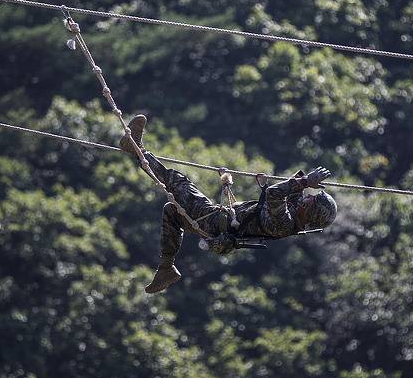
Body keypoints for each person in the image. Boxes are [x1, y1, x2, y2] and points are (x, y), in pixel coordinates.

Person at [119, 115, 337, 294]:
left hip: (213, 224)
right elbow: (291, 189)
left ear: (310, 212)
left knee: (177, 181)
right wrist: (304, 182)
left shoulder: (285, 223)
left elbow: (274, 194)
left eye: (312, 201)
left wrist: (306, 182)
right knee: (171, 212)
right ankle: (166, 268)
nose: (308, 197)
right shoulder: (295, 213)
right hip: (216, 217)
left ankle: (137, 150)